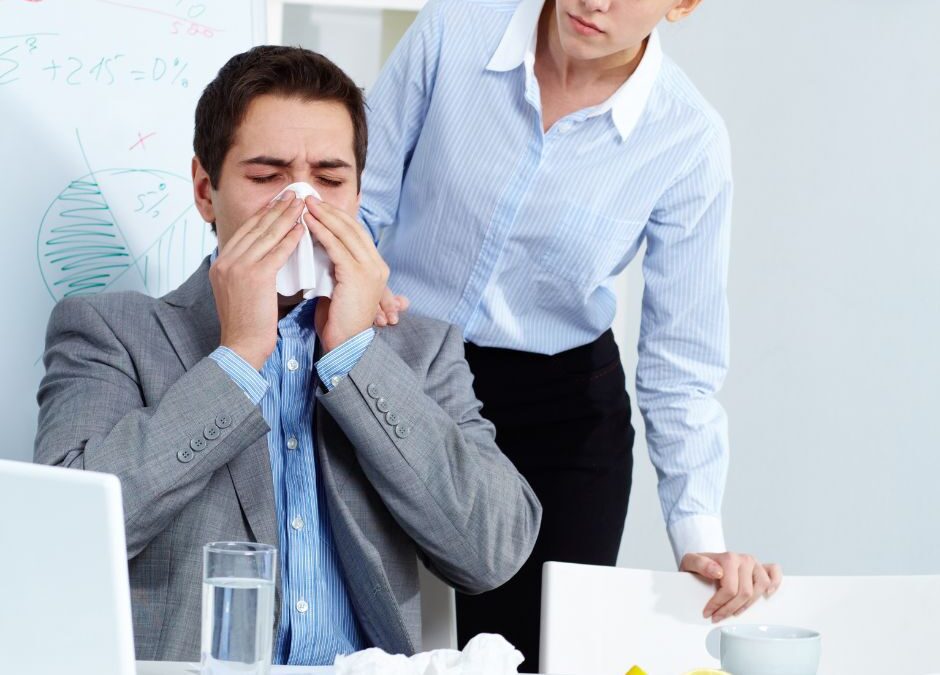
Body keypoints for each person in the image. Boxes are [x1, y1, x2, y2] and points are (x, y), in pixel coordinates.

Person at [34, 45, 541, 665]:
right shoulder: (110, 331)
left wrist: (355, 355)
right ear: (204, 189)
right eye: (267, 176)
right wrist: (239, 358)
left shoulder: (418, 348)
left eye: (329, 180)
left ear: (358, 194)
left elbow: (492, 552)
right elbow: (63, 542)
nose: (301, 205)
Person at [361, 0, 782, 668]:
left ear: (683, 5)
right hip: (397, 373)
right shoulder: (453, 31)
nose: (596, 2)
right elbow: (359, 195)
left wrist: (698, 530)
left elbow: (681, 362)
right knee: (370, 638)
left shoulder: (688, 139)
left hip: (556, 415)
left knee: (538, 657)